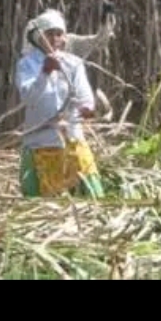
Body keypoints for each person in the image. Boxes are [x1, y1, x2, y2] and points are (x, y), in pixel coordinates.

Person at [15, 11, 104, 198]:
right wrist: (45, 72)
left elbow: (85, 96)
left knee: (88, 193)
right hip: (40, 141)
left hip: (71, 137)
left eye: (59, 34)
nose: (55, 39)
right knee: (42, 200)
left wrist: (87, 108)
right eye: (50, 34)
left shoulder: (73, 63)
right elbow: (29, 98)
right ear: (38, 37)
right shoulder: (27, 65)